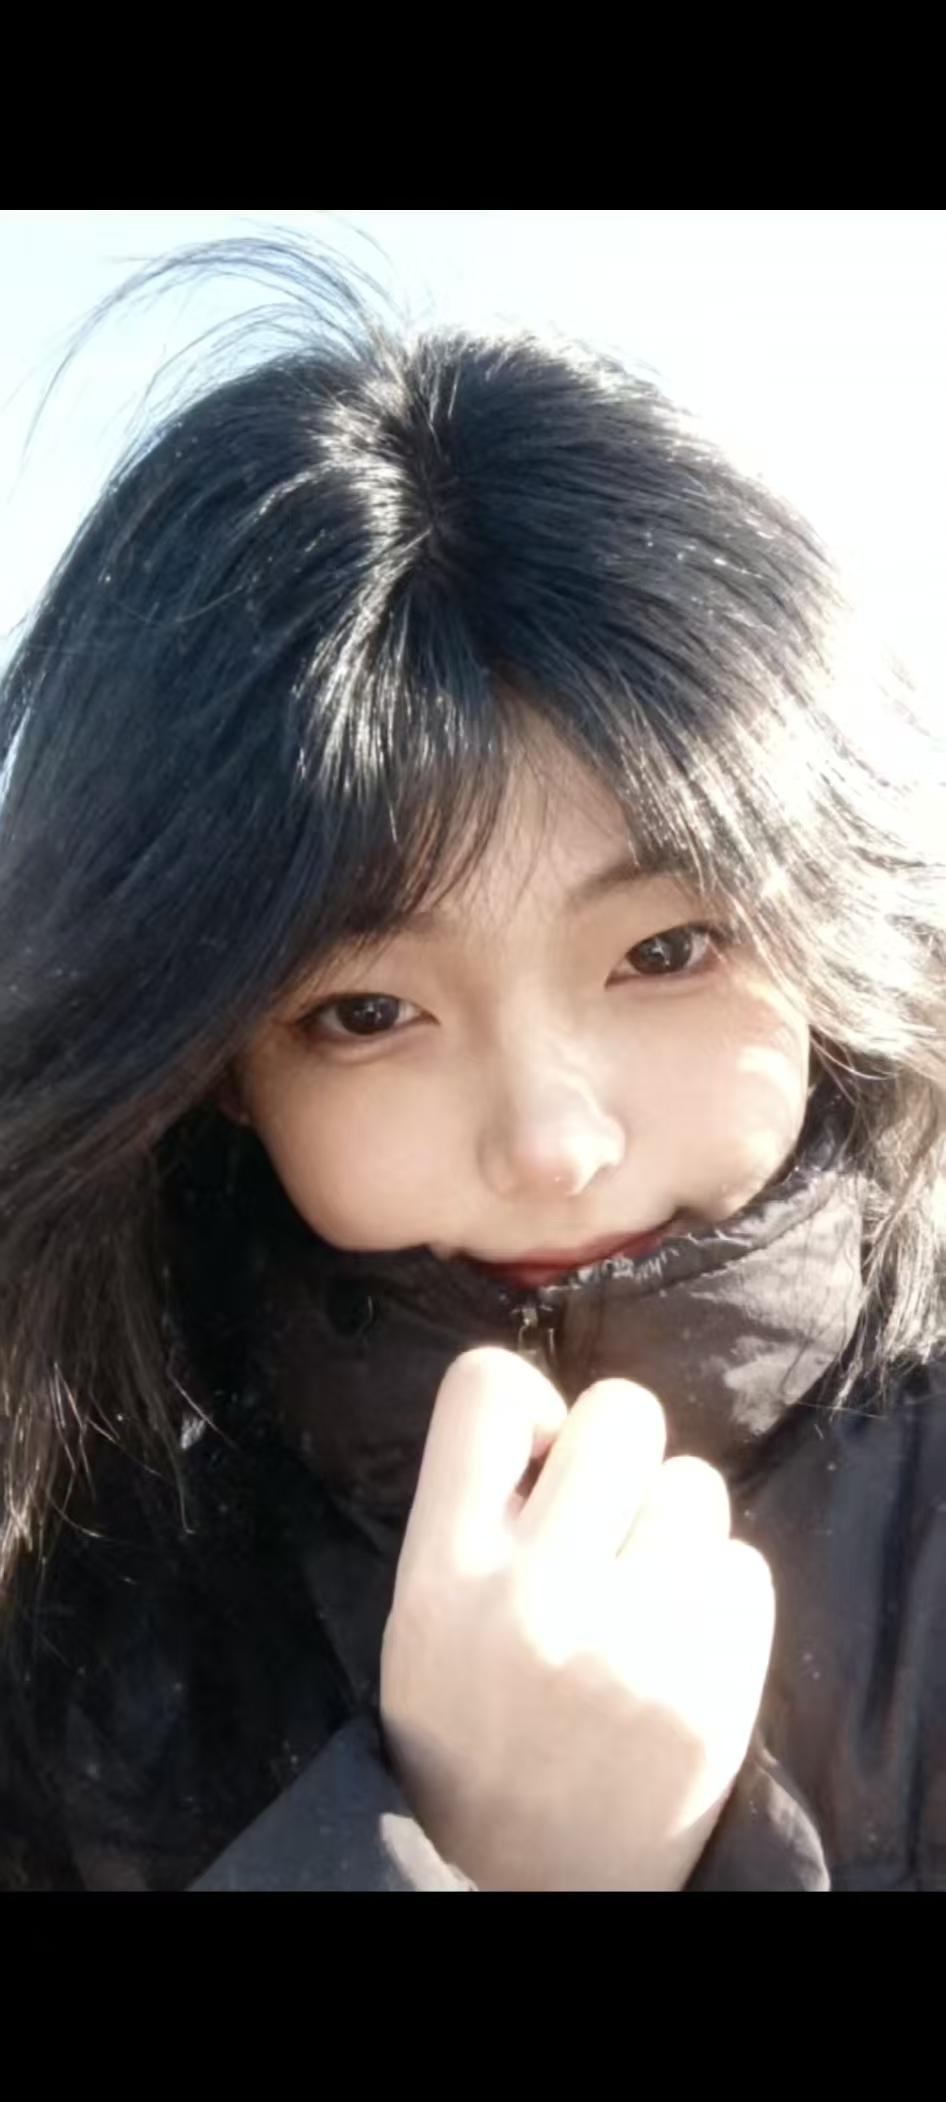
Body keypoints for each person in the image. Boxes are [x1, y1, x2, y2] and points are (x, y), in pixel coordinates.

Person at [1, 239, 944, 1892]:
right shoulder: (62, 1593)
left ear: (823, 921)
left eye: (666, 949)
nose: (553, 1139)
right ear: (211, 1058)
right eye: (366, 1011)